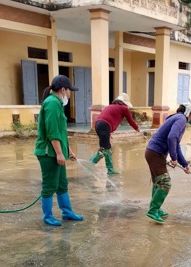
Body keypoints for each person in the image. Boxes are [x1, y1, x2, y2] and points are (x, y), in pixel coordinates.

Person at [145, 99, 191, 223]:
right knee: (165, 183)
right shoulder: (181, 120)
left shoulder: (178, 118)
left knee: (158, 182)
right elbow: (171, 137)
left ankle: (157, 208)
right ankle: (153, 210)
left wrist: (184, 164)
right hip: (155, 153)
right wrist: (173, 158)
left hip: (153, 152)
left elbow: (176, 145)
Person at [34, 75, 84, 226]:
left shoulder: (57, 103)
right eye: (69, 91)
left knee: (62, 183)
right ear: (63, 89)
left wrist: (67, 151)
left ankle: (67, 212)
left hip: (56, 151)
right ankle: (47, 216)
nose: (70, 94)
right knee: (50, 185)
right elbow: (52, 132)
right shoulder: (52, 104)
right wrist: (59, 153)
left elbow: (61, 133)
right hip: (48, 153)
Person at [89, 93, 140, 174]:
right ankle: (91, 164)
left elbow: (107, 118)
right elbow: (130, 121)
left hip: (99, 125)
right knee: (105, 149)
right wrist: (137, 128)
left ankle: (109, 169)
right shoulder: (124, 108)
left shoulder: (111, 106)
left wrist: (108, 133)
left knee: (106, 148)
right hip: (104, 126)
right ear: (124, 102)